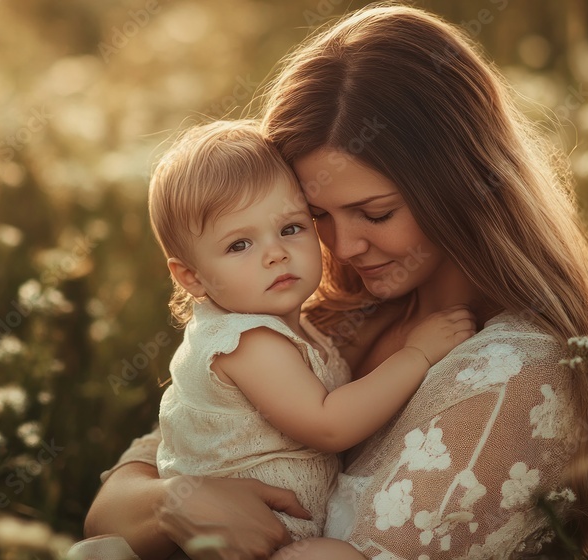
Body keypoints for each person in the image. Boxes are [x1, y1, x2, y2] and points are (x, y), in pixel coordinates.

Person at [81, 5, 588, 559]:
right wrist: (181, 497)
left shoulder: (514, 373)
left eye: (374, 214)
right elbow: (111, 510)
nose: (341, 248)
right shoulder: (310, 317)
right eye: (317, 216)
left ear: (459, 185)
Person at [144, 119, 474, 549]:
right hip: (233, 543)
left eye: (291, 228)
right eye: (239, 245)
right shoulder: (246, 342)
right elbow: (329, 425)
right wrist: (417, 354)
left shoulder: (291, 329)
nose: (276, 253)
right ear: (192, 278)